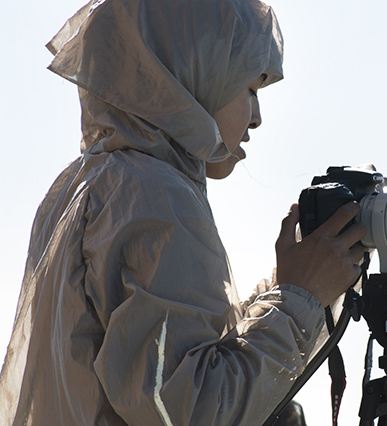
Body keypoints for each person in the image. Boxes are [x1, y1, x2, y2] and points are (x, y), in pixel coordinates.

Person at [0, 0, 366, 424]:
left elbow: (172, 369)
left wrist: (295, 284)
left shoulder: (87, 184)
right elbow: (190, 410)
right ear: (194, 73)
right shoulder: (153, 195)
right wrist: (299, 304)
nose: (258, 117)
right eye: (250, 88)